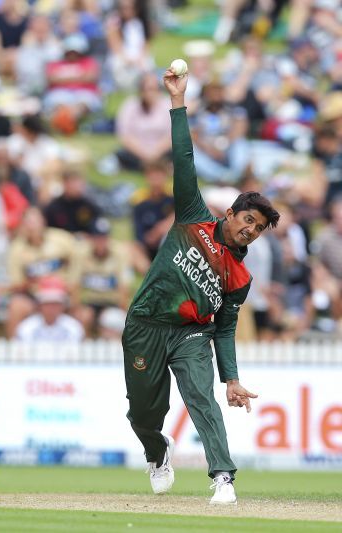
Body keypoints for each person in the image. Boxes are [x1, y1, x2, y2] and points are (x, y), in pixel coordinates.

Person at [122, 68, 280, 505]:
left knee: (200, 397)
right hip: (145, 325)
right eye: (248, 219)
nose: (251, 230)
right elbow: (184, 158)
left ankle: (223, 477)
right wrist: (178, 102)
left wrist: (230, 377)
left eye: (260, 228)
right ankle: (157, 453)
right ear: (230, 214)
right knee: (144, 413)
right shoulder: (194, 216)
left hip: (191, 334)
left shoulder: (241, 277)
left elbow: (225, 329)